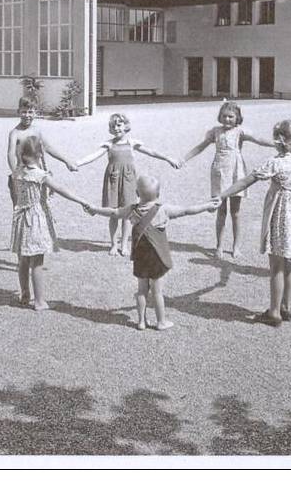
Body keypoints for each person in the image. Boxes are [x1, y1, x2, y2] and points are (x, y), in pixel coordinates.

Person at [218, 120, 291, 327]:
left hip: (280, 216)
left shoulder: (275, 163)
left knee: (276, 267)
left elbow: (247, 180)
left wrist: (223, 195)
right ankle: (286, 306)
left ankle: (273, 312)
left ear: (278, 141)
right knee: (290, 263)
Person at [85, 175, 218, 330]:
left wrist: (95, 209)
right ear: (158, 194)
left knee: (141, 290)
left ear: (136, 192)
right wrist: (207, 205)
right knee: (157, 291)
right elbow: (187, 211)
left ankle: (141, 321)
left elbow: (114, 213)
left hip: (140, 257)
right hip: (157, 257)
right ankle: (161, 321)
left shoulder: (132, 210)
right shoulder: (164, 210)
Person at [75, 113, 182, 256]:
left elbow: (151, 151)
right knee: (113, 213)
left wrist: (168, 158)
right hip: (113, 181)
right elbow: (93, 155)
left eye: (119, 125)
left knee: (127, 213)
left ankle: (124, 244)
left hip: (129, 181)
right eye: (113, 126)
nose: (116, 128)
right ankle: (113, 244)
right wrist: (77, 163)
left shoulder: (132, 143)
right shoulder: (109, 144)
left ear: (126, 126)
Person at [180, 100, 274, 259]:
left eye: (231, 116)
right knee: (220, 211)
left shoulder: (240, 132)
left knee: (235, 212)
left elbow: (259, 139)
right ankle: (219, 245)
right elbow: (200, 147)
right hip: (219, 172)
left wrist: (277, 144)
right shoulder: (215, 132)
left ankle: (236, 246)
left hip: (236, 173)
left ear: (237, 118)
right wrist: (184, 159)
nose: (227, 119)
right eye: (224, 116)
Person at [9, 136, 89, 310]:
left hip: (22, 218)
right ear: (40, 154)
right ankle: (39, 301)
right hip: (36, 219)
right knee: (37, 261)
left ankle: (24, 294)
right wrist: (82, 201)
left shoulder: (17, 173)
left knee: (23, 259)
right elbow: (62, 190)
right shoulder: (40, 175)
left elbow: (19, 194)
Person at [7, 96, 77, 204]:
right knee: (24, 208)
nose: (27, 115)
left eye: (30, 112)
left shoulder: (37, 131)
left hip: (38, 173)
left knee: (41, 205)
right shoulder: (15, 133)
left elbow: (48, 148)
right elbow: (11, 153)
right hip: (23, 175)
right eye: (24, 112)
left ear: (35, 113)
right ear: (18, 112)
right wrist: (15, 173)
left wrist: (66, 161)